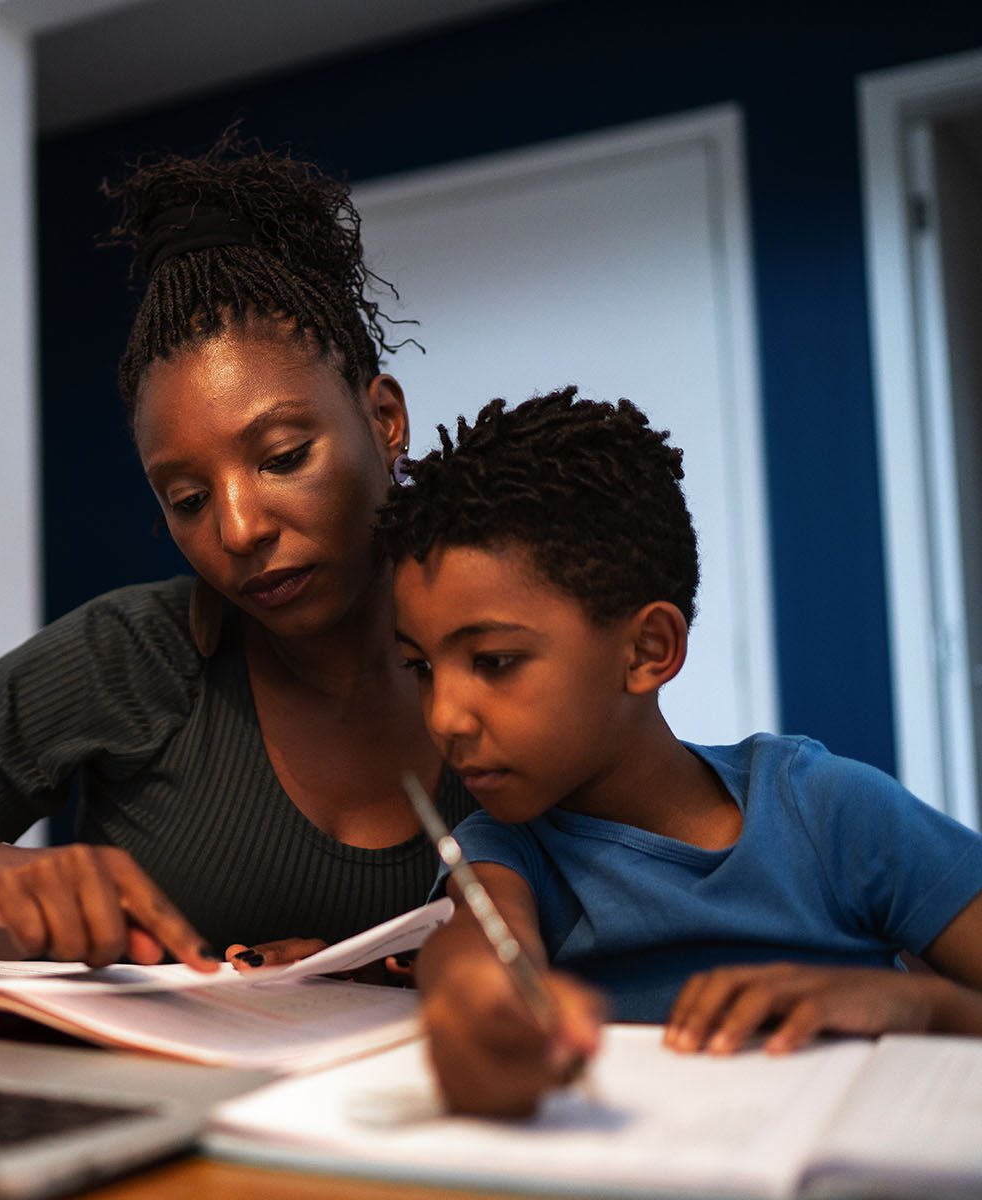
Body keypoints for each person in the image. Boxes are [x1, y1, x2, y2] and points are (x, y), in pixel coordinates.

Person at [0, 132, 476, 972]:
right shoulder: (124, 657)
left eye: (282, 457)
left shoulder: (501, 643)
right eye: (187, 499)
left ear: (385, 422)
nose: (237, 530)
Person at [374, 385, 982, 1116]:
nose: (444, 716)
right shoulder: (506, 848)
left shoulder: (831, 812)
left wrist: (920, 1007)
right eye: (420, 668)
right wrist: (479, 1003)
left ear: (648, 650)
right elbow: (478, 951)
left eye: (495, 661)